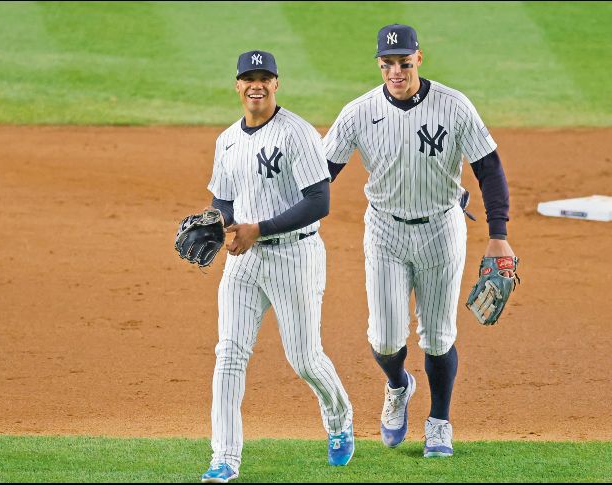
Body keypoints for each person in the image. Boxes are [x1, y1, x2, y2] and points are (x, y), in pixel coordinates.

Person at [323, 24, 515, 458]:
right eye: (388, 63)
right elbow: (320, 176)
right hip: (385, 231)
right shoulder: (358, 113)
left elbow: (490, 170)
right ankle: (398, 385)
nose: (396, 70)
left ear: (419, 59)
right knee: (386, 339)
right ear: (379, 63)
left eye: (404, 62)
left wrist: (498, 235)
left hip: (442, 230)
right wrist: (272, 220)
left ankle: (439, 423)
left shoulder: (454, 107)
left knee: (438, 338)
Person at [200, 50, 354, 483]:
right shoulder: (227, 140)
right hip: (244, 262)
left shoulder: (298, 134)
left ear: (276, 83)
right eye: (249, 78)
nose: (256, 85)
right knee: (229, 355)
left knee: (304, 359)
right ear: (237, 85)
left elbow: (319, 202)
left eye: (264, 78)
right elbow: (224, 201)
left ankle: (339, 417)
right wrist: (217, 224)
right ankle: (224, 458)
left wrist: (258, 228)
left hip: (295, 256)